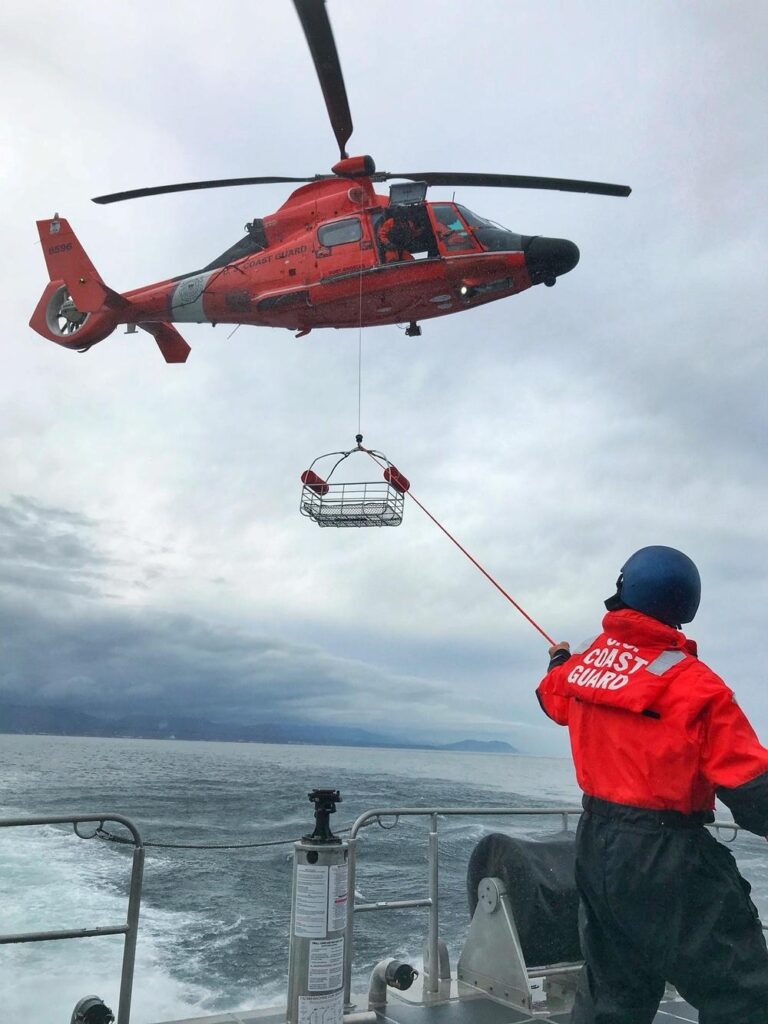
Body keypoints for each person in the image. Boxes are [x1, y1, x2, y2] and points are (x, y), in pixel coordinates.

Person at [537, 545, 768, 1024]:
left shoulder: (580, 670)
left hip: (598, 851)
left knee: (614, 998)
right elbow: (752, 790)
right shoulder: (697, 687)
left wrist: (559, 662)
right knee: (744, 993)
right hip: (668, 859)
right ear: (685, 607)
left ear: (623, 591)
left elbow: (553, 699)